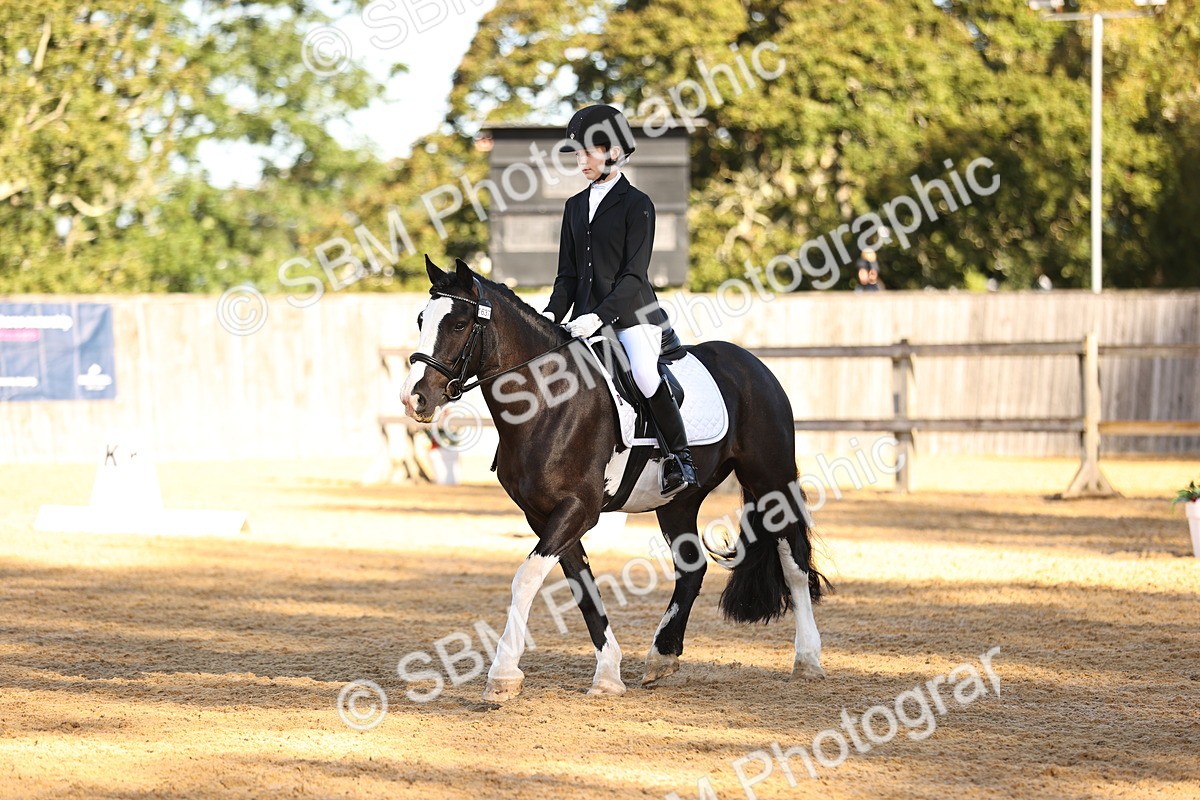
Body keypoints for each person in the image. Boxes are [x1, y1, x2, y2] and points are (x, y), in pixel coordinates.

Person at [541, 105, 698, 494]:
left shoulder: (637, 203)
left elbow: (634, 275)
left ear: (612, 151)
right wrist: (550, 313)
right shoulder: (573, 206)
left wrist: (598, 318)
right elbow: (567, 275)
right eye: (577, 154)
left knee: (644, 373)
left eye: (587, 153)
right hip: (581, 318)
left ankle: (681, 459)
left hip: (632, 315)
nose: (581, 162)